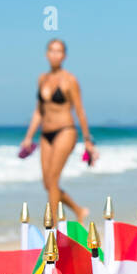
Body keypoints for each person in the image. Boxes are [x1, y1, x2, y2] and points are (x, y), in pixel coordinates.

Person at [20, 38, 97, 222]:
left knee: (53, 180)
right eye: (52, 50)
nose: (55, 54)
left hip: (66, 130)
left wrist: (88, 140)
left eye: (59, 51)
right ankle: (78, 210)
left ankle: (52, 227)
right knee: (47, 183)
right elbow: (39, 111)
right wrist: (28, 137)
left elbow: (80, 110)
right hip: (45, 134)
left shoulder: (70, 80)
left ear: (64, 56)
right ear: (47, 54)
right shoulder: (42, 79)